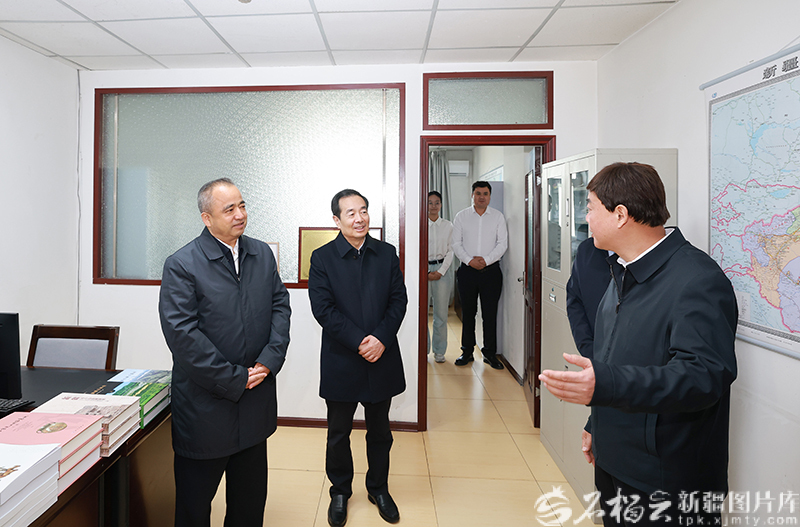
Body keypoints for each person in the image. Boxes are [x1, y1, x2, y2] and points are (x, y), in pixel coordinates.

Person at [539, 162, 738, 527]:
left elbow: (703, 376)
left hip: (666, 482)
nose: (585, 218)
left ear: (620, 215)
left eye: (590, 208)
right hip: (615, 464)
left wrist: (605, 385)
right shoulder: (623, 271)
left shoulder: (697, 280)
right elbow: (616, 358)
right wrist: (596, 423)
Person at [159, 178, 291, 527]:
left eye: (242, 205)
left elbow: (280, 305)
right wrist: (235, 378)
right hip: (206, 407)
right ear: (207, 218)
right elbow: (183, 336)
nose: (240, 214)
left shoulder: (260, 253)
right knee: (194, 507)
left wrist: (269, 360)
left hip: (254, 401)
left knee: (249, 505)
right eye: (229, 209)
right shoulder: (182, 264)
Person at [308, 189, 407, 527]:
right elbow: (323, 309)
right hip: (342, 358)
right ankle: (340, 492)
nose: (359, 218)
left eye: (363, 210)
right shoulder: (322, 258)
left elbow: (399, 301)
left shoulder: (386, 253)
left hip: (382, 356)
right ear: (336, 220)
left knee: (380, 432)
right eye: (350, 213)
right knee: (338, 433)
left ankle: (379, 489)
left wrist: (380, 339)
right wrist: (359, 341)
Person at [451, 181, 508, 369]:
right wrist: (470, 261)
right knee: (468, 313)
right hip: (467, 272)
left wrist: (486, 260)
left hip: (491, 272)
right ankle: (467, 352)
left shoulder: (498, 217)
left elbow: (502, 244)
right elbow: (456, 244)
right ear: (472, 195)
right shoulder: (461, 216)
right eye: (478, 193)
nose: (481, 197)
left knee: (490, 314)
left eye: (485, 193)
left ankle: (489, 354)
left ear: (490, 196)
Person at [565, 237, 612, 359]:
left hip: (634, 365)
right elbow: (575, 300)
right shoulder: (587, 249)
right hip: (595, 354)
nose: (590, 228)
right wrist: (588, 350)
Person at [427, 190, 454, 363]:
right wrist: (425, 272)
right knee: (421, 313)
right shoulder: (420, 225)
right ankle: (423, 350)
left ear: (441, 205)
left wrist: (440, 271)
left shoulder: (448, 226)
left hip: (442, 270)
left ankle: (439, 351)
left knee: (441, 314)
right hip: (423, 270)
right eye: (430, 202)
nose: (433, 206)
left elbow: (451, 251)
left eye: (437, 202)